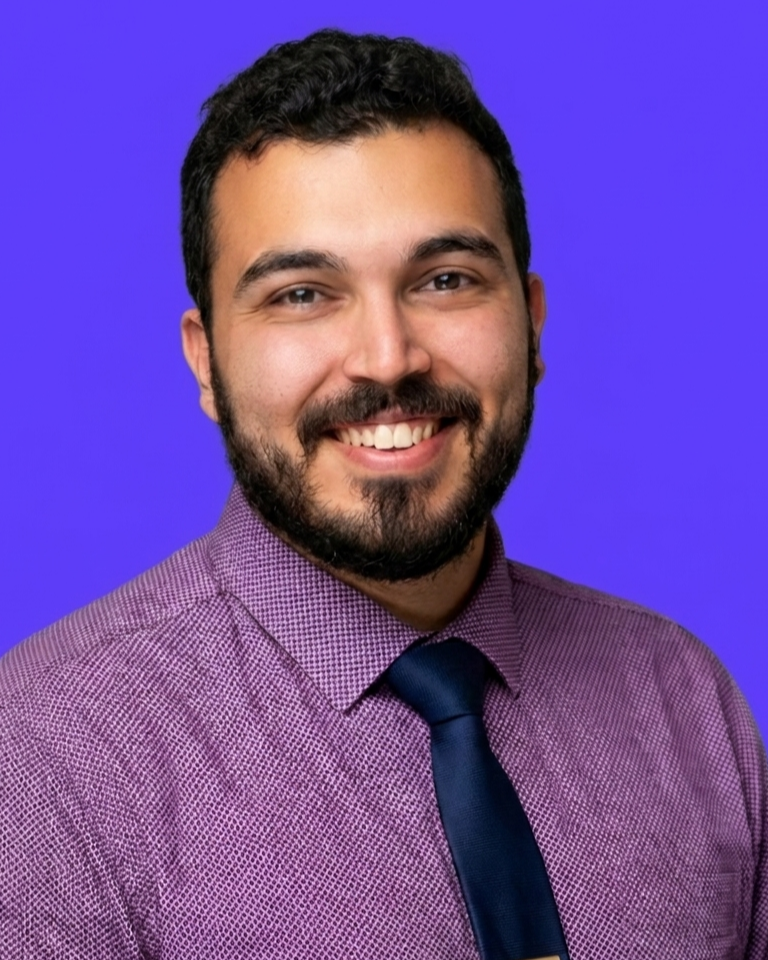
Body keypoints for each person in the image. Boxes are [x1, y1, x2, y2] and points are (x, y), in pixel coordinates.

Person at [0, 27, 765, 959]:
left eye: (445, 280)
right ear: (206, 361)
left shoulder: (683, 699)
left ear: (530, 320)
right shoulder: (42, 765)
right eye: (301, 295)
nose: (387, 358)